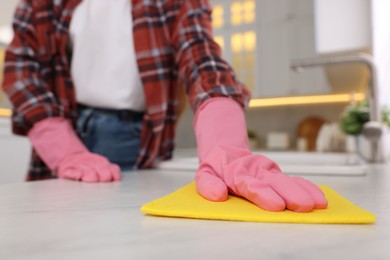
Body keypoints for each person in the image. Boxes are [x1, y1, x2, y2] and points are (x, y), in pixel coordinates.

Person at [2, 0, 327, 212]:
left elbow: (200, 54)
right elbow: (20, 69)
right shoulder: (41, 3)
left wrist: (223, 139)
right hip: (61, 134)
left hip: (132, 139)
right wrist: (61, 145)